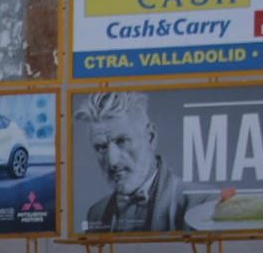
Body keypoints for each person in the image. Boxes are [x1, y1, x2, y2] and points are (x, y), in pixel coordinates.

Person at [76, 91, 187, 233]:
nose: (112, 161)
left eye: (122, 141)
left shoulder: (198, 204)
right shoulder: (96, 213)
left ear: (150, 137)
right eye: (101, 147)